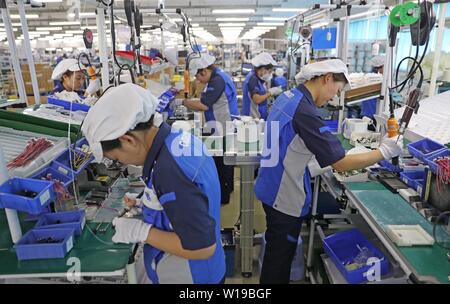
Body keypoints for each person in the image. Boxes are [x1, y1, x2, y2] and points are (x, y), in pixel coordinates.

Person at [254, 59, 403, 284]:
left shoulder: (289, 97)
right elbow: (340, 163)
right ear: (326, 79)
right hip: (283, 197)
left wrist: (308, 160)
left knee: (277, 255)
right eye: (337, 90)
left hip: (270, 184)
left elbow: (288, 139)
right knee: (278, 263)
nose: (334, 97)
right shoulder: (306, 111)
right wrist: (383, 152)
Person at [81, 83, 225, 284]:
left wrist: (140, 231)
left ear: (129, 140)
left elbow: (202, 247)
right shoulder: (176, 140)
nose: (122, 163)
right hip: (205, 269)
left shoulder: (170, 171)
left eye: (116, 157)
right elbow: (192, 201)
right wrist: (148, 204)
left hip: (192, 276)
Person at [172, 53, 238, 205]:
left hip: (221, 127)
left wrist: (182, 102)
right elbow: (205, 100)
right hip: (219, 126)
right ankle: (225, 192)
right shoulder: (216, 78)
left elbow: (204, 105)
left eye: (198, 76)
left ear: (204, 71)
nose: (198, 80)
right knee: (222, 162)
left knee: (222, 163)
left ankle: (223, 197)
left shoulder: (217, 80)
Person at [241, 52, 283, 120]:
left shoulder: (259, 78)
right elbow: (257, 99)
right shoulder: (252, 79)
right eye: (269, 71)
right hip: (252, 119)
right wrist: (270, 92)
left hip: (259, 118)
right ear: (262, 69)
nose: (270, 74)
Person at [361, 55, 386, 120]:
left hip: (370, 113)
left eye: (380, 68)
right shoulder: (375, 78)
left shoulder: (381, 78)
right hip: (371, 114)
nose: (379, 71)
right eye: (378, 68)